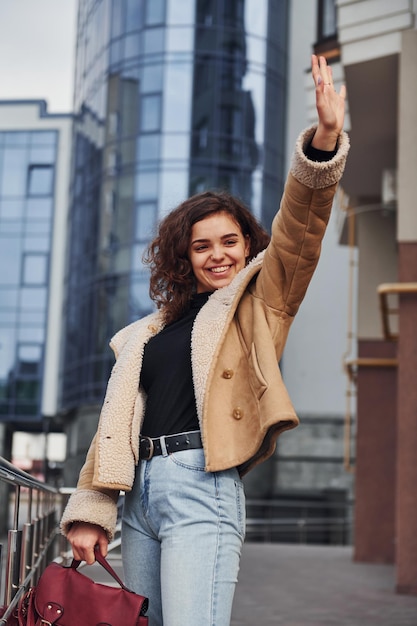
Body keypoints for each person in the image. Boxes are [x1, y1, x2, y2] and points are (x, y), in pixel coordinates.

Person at [61, 54, 349, 625]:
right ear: (184, 257)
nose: (217, 254)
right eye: (201, 245)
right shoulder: (150, 332)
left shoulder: (260, 304)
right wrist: (93, 510)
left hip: (201, 485)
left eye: (229, 241)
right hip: (140, 493)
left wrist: (324, 143)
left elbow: (299, 230)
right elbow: (113, 429)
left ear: (247, 248)